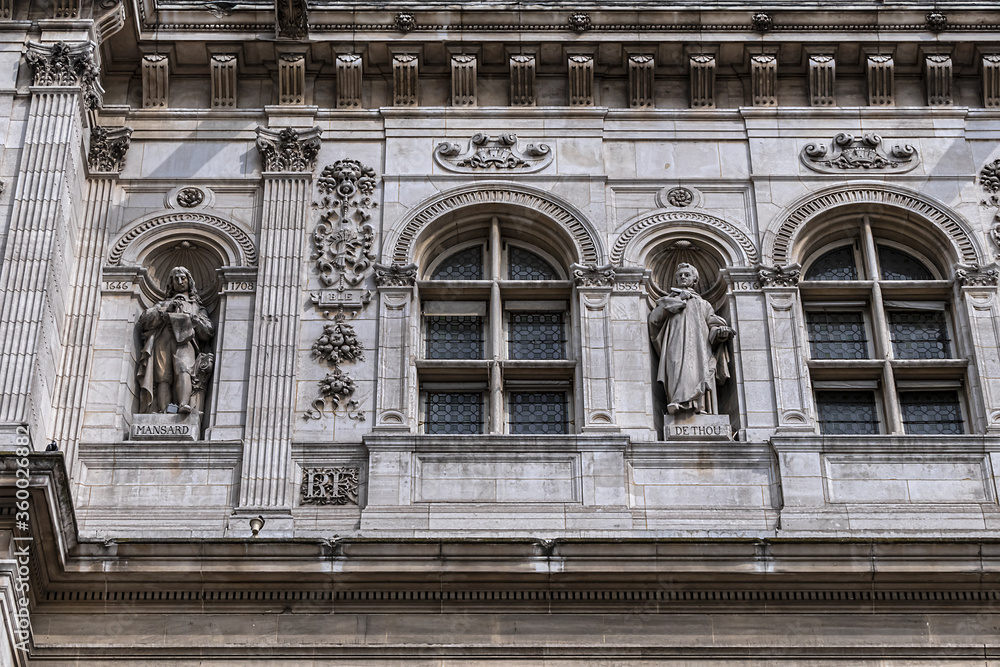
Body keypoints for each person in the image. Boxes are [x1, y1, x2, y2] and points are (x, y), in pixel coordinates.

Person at [648, 263, 734, 415]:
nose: (682, 277)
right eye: (680, 275)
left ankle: (699, 408)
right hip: (675, 345)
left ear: (695, 280)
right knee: (676, 367)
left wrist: (720, 332)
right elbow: (654, 320)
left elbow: (712, 324)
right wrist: (677, 300)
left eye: (686, 275)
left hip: (698, 347)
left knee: (697, 371)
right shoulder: (668, 300)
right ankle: (677, 404)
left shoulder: (703, 304)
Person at [137, 266, 214, 414]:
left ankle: (184, 404)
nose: (180, 281)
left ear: (189, 281)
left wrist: (194, 320)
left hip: (186, 341)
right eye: (176, 278)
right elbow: (144, 320)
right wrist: (166, 310)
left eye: (183, 278)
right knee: (162, 375)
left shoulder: (196, 306)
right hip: (163, 339)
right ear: (171, 283)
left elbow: (209, 331)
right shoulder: (163, 304)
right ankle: (163, 409)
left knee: (184, 369)